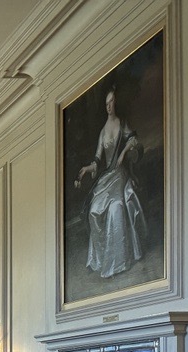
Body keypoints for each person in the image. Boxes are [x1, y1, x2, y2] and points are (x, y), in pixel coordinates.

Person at [75, 86, 148, 279]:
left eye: (111, 102)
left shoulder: (122, 123)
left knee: (116, 207)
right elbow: (97, 160)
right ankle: (102, 258)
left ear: (116, 102)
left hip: (120, 174)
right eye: (106, 104)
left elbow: (134, 140)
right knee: (93, 212)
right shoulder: (102, 131)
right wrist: (86, 169)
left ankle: (119, 260)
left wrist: (123, 153)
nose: (108, 107)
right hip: (106, 177)